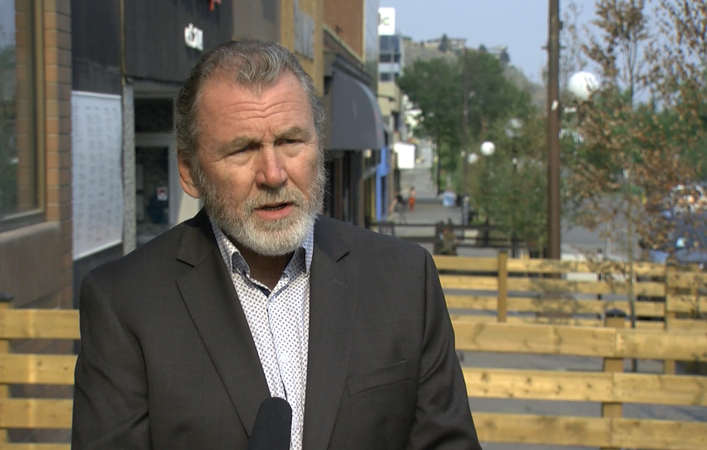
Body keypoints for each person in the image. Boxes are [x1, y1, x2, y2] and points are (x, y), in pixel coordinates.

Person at [72, 40, 480, 450]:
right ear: (190, 172)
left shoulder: (405, 280)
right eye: (242, 149)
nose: (273, 174)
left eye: (290, 141)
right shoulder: (124, 302)